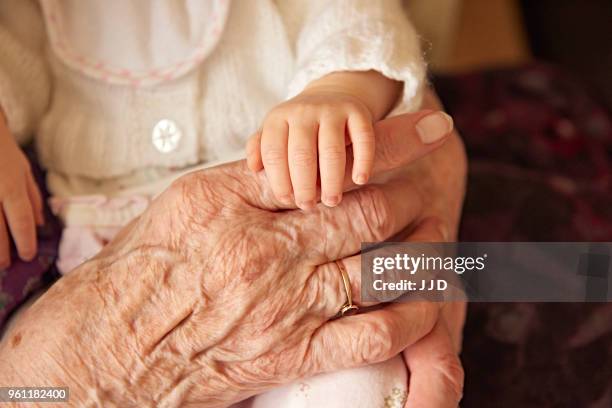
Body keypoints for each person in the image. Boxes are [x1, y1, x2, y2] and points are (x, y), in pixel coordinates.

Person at [0, 1, 464, 406]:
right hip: (106, 262)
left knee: (358, 373)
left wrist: (337, 92)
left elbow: (358, 24)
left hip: (289, 238)